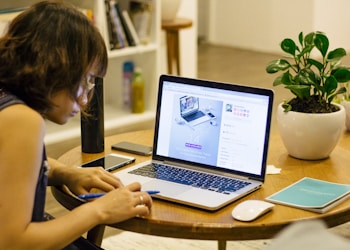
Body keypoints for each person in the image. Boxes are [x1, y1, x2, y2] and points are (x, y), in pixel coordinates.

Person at [0, 1, 152, 249]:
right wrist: (101, 210)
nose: (84, 99)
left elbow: (7, 168)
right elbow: (12, 242)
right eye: (87, 80)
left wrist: (64, 172)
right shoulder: (23, 120)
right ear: (56, 67)